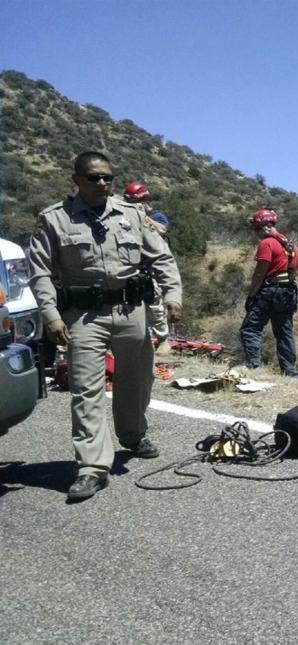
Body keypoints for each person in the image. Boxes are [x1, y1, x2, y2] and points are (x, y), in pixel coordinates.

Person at [27, 151, 183, 502]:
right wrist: (51, 315)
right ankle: (93, 467)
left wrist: (173, 294)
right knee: (86, 390)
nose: (102, 183)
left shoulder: (130, 214)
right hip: (84, 317)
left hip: (131, 310)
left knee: (138, 379)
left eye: (107, 178)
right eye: (94, 177)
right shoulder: (55, 219)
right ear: (77, 180)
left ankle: (132, 433)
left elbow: (161, 257)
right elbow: (39, 271)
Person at [240, 208, 298, 378]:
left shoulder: (267, 243)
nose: (256, 234)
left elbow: (260, 272)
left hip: (269, 292)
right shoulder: (291, 245)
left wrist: (252, 294)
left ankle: (255, 368)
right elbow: (295, 269)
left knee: (250, 329)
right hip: (288, 292)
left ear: (265, 227)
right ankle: (291, 373)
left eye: (257, 229)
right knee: (284, 333)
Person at [122, 181, 172, 345]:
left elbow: (162, 230)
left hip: (150, 273)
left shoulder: (156, 217)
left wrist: (142, 217)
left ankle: (162, 341)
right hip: (131, 272)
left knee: (155, 310)